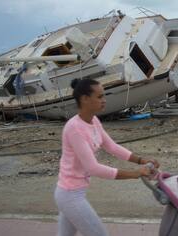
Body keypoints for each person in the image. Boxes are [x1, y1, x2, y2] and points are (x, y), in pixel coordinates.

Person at [54, 78, 160, 236]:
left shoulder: (94, 121)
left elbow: (112, 147)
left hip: (71, 193)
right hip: (70, 195)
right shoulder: (74, 128)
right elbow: (94, 168)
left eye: (104, 96)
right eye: (99, 97)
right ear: (84, 99)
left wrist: (141, 160)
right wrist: (136, 173)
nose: (104, 100)